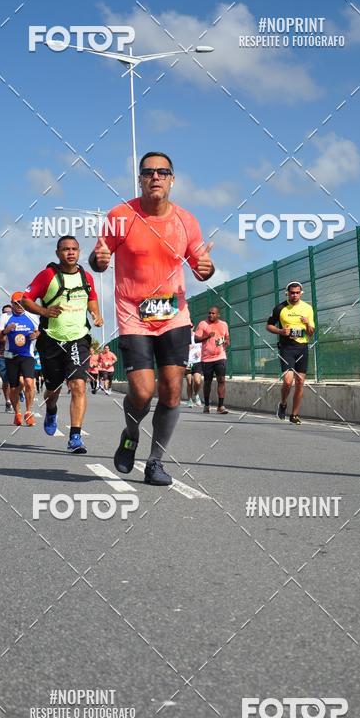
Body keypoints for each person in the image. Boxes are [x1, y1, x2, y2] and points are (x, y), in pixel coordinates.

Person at [89, 151, 215, 485]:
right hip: (134, 316)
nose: (155, 177)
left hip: (174, 316)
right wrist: (99, 259)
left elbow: (202, 265)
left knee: (172, 391)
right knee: (143, 393)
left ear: (172, 179)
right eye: (148, 172)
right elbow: (99, 259)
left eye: (162, 172)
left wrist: (206, 268)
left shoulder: (186, 221)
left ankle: (156, 462)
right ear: (140, 179)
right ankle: (131, 434)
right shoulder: (121, 216)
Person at [21, 236, 103, 453]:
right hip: (51, 339)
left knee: (78, 385)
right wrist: (44, 311)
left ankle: (75, 436)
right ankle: (51, 408)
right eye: (65, 249)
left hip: (78, 338)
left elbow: (91, 297)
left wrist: (96, 313)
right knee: (53, 388)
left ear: (79, 251)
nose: (70, 253)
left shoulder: (86, 276)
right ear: (58, 253)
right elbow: (25, 299)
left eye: (74, 249)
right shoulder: (48, 275)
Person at [266, 281, 315, 424]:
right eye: (292, 292)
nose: (295, 295)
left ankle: (294, 415)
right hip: (286, 348)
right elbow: (268, 325)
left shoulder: (308, 308)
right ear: (287, 293)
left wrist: (306, 323)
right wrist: (281, 331)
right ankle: (283, 403)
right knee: (288, 381)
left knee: (300, 382)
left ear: (301, 293)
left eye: (297, 292)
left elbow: (311, 332)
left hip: (302, 348)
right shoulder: (280, 308)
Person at [0, 292, 39, 426]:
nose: (19, 305)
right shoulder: (5, 317)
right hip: (10, 356)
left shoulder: (32, 316)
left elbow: (40, 331)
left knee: (29, 383)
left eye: (21, 302)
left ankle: (29, 412)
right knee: (13, 388)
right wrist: (5, 331)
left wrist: (35, 334)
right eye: (16, 303)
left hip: (27, 355)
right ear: (12, 304)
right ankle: (17, 413)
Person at [194, 306, 230, 414]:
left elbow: (227, 336)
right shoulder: (203, 324)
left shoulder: (224, 324)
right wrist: (207, 337)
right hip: (207, 359)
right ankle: (207, 405)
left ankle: (221, 406)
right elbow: (196, 339)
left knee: (222, 380)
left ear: (218, 314)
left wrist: (227, 341)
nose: (210, 315)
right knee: (207, 382)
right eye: (209, 313)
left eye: (213, 313)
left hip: (220, 356)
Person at [0, 304, 13, 411]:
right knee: (6, 381)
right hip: (2, 356)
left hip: (16, 355)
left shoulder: (17, 323)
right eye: (5, 312)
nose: (7, 314)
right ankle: (8, 402)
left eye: (9, 312)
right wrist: (3, 334)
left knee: (19, 381)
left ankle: (19, 393)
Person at [185, 326, 203, 407]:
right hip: (187, 362)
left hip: (197, 362)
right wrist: (186, 348)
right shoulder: (183, 338)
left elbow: (204, 347)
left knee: (197, 381)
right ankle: (189, 400)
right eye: (188, 327)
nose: (190, 328)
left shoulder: (198, 336)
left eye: (191, 326)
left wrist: (200, 353)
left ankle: (196, 395)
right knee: (189, 382)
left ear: (194, 327)